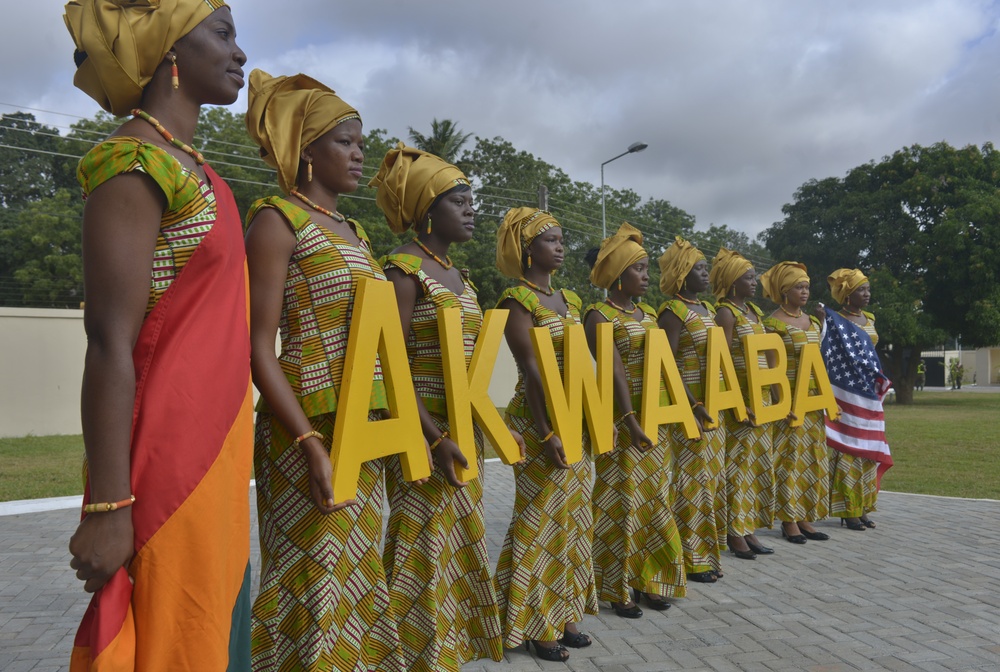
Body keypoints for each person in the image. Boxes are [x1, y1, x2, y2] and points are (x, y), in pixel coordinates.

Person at [63, 1, 253, 669]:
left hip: (221, 455)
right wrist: (108, 506)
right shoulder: (132, 163)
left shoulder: (205, 176)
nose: (241, 54)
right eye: (223, 34)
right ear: (172, 50)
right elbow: (109, 341)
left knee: (212, 630)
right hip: (164, 467)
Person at [244, 70, 402, 670]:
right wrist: (309, 442)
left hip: (365, 429)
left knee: (358, 571)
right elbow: (259, 348)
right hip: (304, 427)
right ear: (307, 150)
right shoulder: (277, 220)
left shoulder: (358, 235)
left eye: (361, 142)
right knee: (314, 574)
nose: (360, 153)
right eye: (345, 142)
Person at [370, 144, 522, 671]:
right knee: (419, 549)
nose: (471, 210)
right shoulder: (403, 272)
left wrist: (494, 426)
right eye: (459, 201)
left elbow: (472, 374)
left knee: (457, 546)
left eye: (471, 200)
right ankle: (409, 658)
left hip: (464, 437)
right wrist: (434, 439)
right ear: (428, 210)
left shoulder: (465, 281)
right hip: (423, 437)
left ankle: (445, 655)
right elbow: (389, 368)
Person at [493, 207, 597, 663]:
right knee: (539, 522)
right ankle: (535, 623)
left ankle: (566, 612)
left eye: (561, 239)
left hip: (578, 421)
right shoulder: (517, 300)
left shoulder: (569, 301)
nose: (560, 247)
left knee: (573, 521)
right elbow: (532, 370)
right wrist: (546, 430)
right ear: (528, 248)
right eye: (550, 240)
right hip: (539, 425)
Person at [583, 223, 686, 619]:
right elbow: (614, 372)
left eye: (646, 268)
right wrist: (630, 421)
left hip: (653, 420)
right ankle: (616, 587)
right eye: (639, 270)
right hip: (621, 423)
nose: (647, 277)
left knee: (654, 502)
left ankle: (651, 580)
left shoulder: (647, 314)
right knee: (620, 503)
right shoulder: (597, 314)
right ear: (618, 275)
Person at [656, 237, 727, 583]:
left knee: (709, 483)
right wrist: (693, 405)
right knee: (689, 484)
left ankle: (706, 552)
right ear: (683, 274)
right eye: (699, 268)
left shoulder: (709, 312)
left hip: (714, 409)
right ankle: (688, 557)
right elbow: (665, 363)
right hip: (689, 409)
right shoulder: (673, 312)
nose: (706, 274)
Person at [710, 248, 776, 558]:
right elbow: (721, 361)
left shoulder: (754, 312)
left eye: (753, 277)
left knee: (752, 467)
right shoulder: (726, 312)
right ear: (732, 282)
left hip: (761, 401)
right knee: (735, 468)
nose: (753, 282)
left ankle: (748, 528)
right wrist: (738, 402)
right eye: (747, 278)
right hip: (741, 402)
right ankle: (734, 533)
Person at [760, 261, 830, 544]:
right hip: (788, 400)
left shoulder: (813, 322)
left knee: (811, 457)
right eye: (798, 287)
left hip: (813, 399)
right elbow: (768, 365)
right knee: (788, 459)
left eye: (807, 287)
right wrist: (781, 402)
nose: (804, 292)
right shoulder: (773, 324)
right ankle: (789, 520)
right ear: (784, 290)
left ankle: (805, 517)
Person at [827, 268, 888, 530]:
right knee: (848, 449)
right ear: (847, 295)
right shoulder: (834, 320)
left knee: (868, 450)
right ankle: (848, 510)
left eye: (868, 289)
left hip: (869, 394)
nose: (867, 294)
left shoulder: (870, 318)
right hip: (846, 391)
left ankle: (864, 506)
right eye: (861, 290)